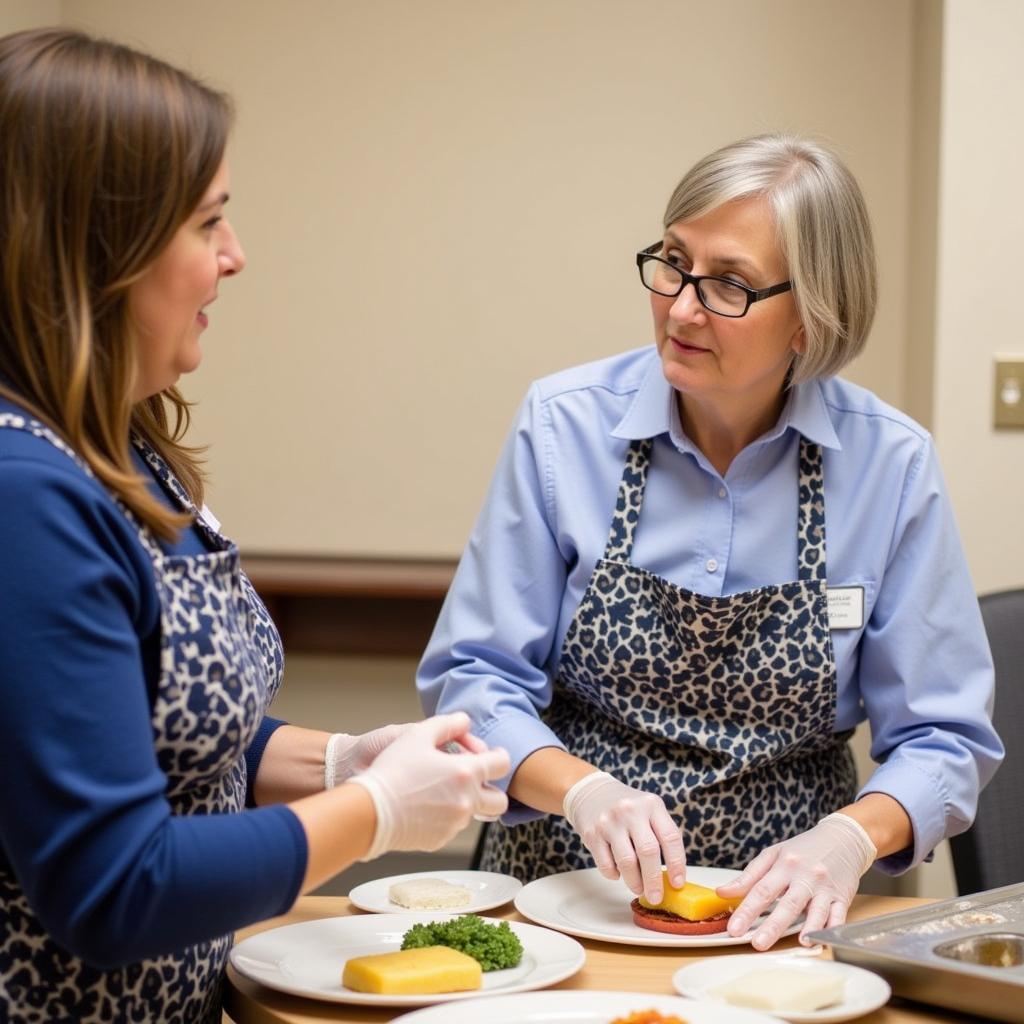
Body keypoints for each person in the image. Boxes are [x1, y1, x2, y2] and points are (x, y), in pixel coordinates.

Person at [0, 28, 509, 1024]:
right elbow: (115, 885)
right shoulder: (24, 497)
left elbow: (150, 729)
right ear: (98, 247)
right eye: (206, 223)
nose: (236, 257)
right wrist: (373, 812)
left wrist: (332, 762)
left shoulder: (121, 443)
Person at [418, 134, 1003, 950]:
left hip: (786, 919)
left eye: (728, 283)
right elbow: (473, 675)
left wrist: (848, 841)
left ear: (813, 314)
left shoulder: (890, 465)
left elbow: (945, 737)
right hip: (565, 900)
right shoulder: (564, 426)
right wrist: (584, 792)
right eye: (672, 263)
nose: (682, 307)